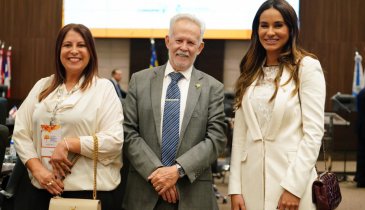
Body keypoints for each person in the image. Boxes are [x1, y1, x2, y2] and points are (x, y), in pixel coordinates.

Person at [12, 23, 124, 210]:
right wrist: (38, 170)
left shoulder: (103, 89)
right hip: (41, 190)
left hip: (87, 194)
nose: (74, 51)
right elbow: (21, 132)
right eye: (67, 45)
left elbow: (114, 141)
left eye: (81, 45)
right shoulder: (42, 86)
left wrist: (68, 144)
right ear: (58, 51)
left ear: (91, 52)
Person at [122, 13, 227, 210]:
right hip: (144, 192)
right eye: (179, 40)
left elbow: (216, 139)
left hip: (192, 195)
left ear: (200, 47)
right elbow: (128, 132)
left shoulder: (213, 88)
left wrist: (177, 171)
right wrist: (159, 173)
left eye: (191, 42)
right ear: (168, 41)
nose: (184, 47)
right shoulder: (140, 81)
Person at [228, 0, 326, 210]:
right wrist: (235, 188)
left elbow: (313, 134)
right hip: (250, 183)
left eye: (278, 25)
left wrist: (293, 187)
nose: (270, 32)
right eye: (264, 25)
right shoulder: (250, 71)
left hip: (291, 181)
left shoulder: (307, 67)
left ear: (291, 29)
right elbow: (240, 136)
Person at [355, 87, 365, 187]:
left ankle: (360, 178)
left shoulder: (361, 93)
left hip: (361, 127)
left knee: (361, 154)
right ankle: (361, 179)